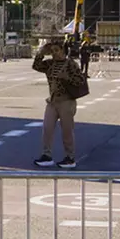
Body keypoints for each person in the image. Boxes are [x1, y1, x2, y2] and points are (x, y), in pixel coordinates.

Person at [31, 38, 85, 169]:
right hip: (53, 101)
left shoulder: (70, 64)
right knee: (47, 128)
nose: (54, 53)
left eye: (57, 50)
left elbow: (81, 80)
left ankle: (70, 157)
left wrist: (68, 78)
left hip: (66, 101)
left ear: (63, 50)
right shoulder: (50, 64)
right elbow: (36, 66)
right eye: (52, 51)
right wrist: (41, 53)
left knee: (67, 130)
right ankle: (46, 155)